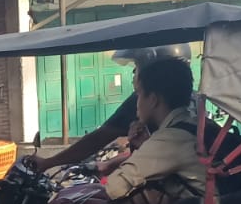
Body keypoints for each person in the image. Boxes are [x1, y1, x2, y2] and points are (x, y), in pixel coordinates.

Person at [68, 57, 206, 204]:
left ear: (154, 99)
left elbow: (115, 188)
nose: (136, 102)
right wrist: (143, 146)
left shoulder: (171, 137)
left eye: (139, 94)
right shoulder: (195, 125)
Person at [23, 45, 193, 173]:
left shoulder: (150, 107)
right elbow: (154, 158)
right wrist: (110, 163)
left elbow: (98, 139)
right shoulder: (193, 103)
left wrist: (48, 162)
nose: (133, 74)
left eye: (137, 66)